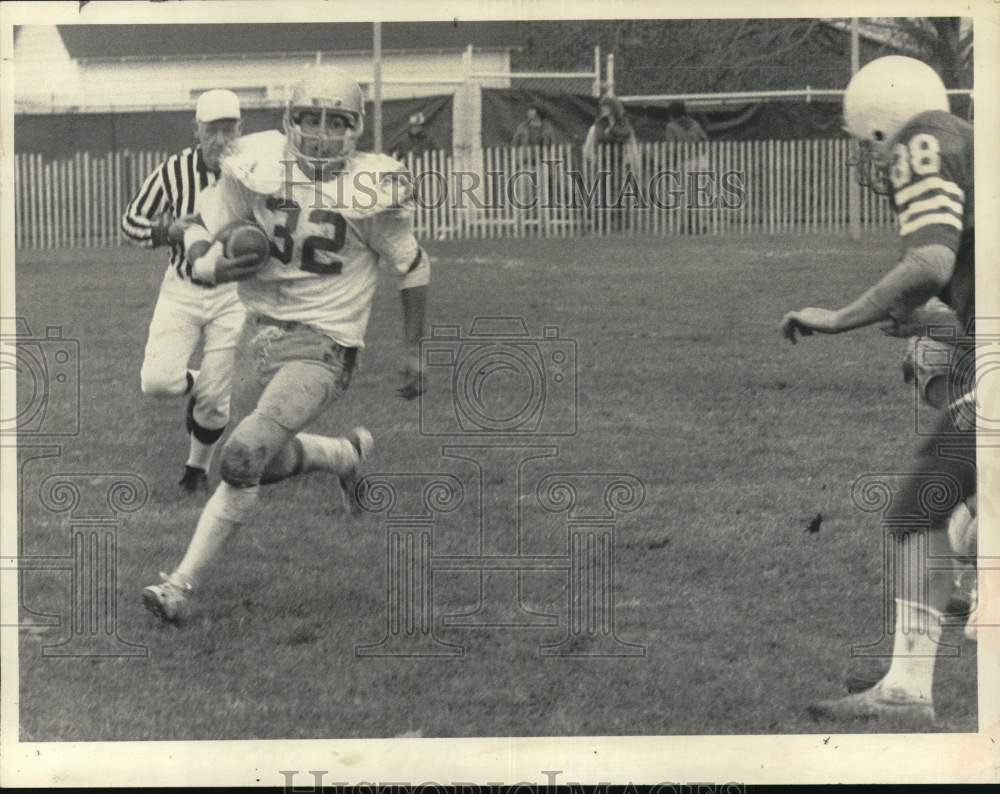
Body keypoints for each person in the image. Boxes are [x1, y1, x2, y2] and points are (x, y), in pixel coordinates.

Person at [142, 67, 430, 623]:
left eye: (338, 121)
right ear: (289, 121)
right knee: (259, 466)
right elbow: (203, 221)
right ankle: (344, 456)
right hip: (260, 335)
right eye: (311, 118)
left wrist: (414, 350)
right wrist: (212, 261)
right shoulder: (258, 164)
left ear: (357, 129)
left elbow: (413, 267)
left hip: (326, 344)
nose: (323, 133)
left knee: (242, 453)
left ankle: (179, 587)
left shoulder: (371, 186)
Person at [781, 55, 975, 723]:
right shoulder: (967, 142)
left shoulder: (924, 141)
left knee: (934, 508)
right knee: (948, 509)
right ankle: (908, 681)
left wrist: (837, 317)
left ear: (878, 129)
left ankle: (909, 684)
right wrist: (934, 320)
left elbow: (929, 259)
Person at [121, 89, 246, 493]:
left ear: (240, 130)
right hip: (182, 289)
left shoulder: (255, 172)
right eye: (213, 129)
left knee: (215, 401)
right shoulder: (174, 171)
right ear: (197, 131)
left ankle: (196, 470)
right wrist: (166, 230)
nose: (222, 139)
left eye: (230, 128)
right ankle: (201, 382)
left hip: (234, 295)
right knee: (156, 382)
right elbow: (130, 221)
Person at [582, 95, 641, 232]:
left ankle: (620, 223)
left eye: (607, 106)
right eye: (602, 106)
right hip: (602, 165)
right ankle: (602, 223)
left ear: (614, 108)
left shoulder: (625, 127)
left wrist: (629, 159)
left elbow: (631, 144)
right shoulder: (597, 127)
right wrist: (593, 158)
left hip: (620, 164)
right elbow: (589, 146)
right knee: (601, 194)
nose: (604, 109)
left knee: (620, 193)